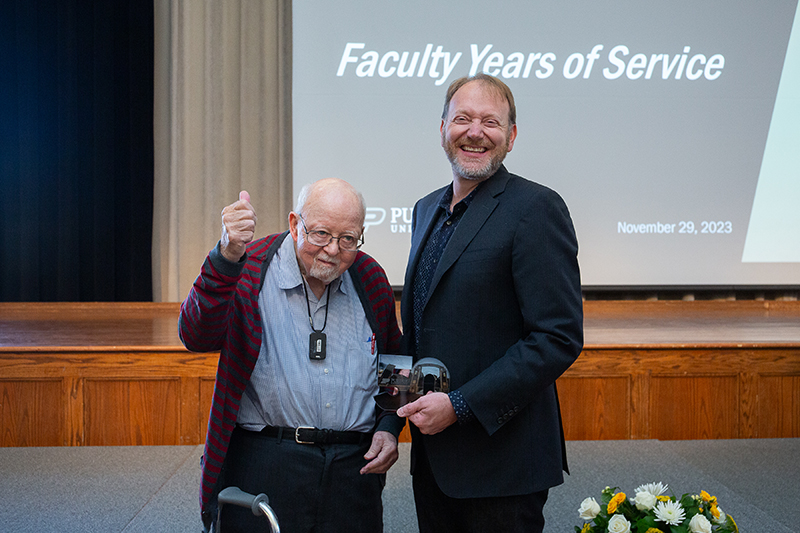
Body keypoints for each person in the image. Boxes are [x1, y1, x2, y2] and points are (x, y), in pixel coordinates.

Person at [395, 74, 584, 532]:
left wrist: (460, 405)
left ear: (511, 136)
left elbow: (557, 337)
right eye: (462, 119)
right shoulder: (425, 209)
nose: (475, 132)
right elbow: (423, 324)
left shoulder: (536, 208)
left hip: (503, 464)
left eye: (490, 122)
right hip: (434, 461)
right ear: (443, 128)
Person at [179, 178, 404, 533]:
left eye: (348, 239)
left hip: (352, 470)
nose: (333, 250)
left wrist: (390, 427)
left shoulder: (369, 277)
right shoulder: (250, 268)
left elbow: (396, 364)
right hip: (267, 462)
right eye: (321, 234)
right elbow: (195, 335)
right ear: (295, 224)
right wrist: (226, 257)